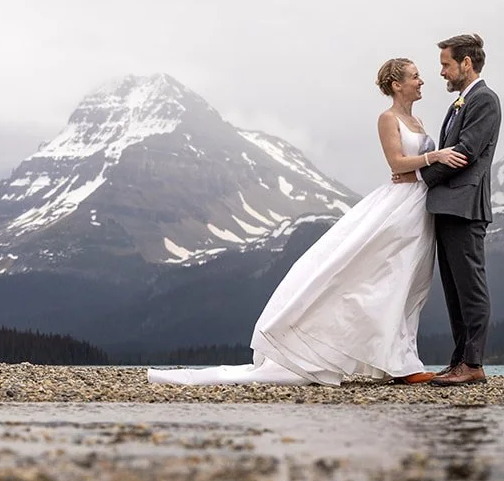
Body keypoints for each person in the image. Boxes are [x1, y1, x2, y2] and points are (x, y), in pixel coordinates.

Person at [147, 56, 467, 387]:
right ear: (397, 85)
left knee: (411, 283)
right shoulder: (388, 119)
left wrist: (429, 163)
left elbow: (411, 168)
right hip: (399, 208)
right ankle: (394, 362)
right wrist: (435, 156)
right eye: (415, 77)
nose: (421, 81)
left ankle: (396, 358)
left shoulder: (419, 122)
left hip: (419, 208)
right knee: (385, 280)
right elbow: (396, 162)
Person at [399, 34, 502, 386]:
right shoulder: (460, 102)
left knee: (470, 287)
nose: (441, 72)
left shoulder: (484, 100)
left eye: (446, 64)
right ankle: (460, 360)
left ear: (466, 64)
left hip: (465, 205)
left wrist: (418, 177)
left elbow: (465, 153)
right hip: (447, 207)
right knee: (455, 289)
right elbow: (451, 152)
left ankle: (473, 364)